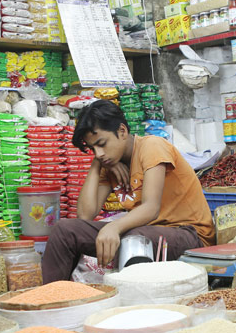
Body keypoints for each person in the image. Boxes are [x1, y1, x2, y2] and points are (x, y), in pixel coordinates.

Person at [41, 100, 215, 282]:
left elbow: (151, 207)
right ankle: (51, 299)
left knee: (134, 239)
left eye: (102, 144)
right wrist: (95, 165)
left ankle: (134, 303)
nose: (99, 153)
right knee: (65, 231)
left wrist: (114, 227)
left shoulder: (152, 147)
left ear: (122, 131)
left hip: (190, 235)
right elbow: (85, 215)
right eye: (93, 149)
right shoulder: (106, 163)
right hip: (147, 232)